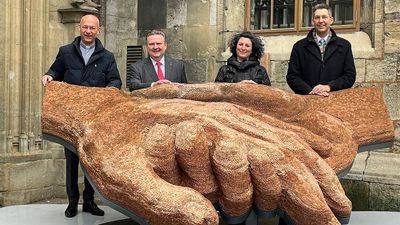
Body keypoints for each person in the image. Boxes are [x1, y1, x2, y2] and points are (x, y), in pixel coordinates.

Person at [42, 14, 121, 218]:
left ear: (98, 30)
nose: (88, 31)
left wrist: (112, 88)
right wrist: (49, 75)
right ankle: (72, 202)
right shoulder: (66, 52)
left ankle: (89, 202)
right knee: (72, 162)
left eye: (92, 28)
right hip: (71, 120)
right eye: (85, 27)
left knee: (90, 162)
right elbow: (55, 71)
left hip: (94, 121)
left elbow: (115, 80)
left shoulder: (107, 56)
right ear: (79, 28)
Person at [286, 3, 356, 97]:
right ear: (312, 21)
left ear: (331, 20)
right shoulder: (299, 47)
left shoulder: (344, 46)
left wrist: (329, 87)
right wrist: (311, 91)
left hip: (336, 100)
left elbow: (349, 76)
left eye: (324, 17)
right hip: (308, 99)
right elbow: (292, 76)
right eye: (317, 17)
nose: (321, 21)